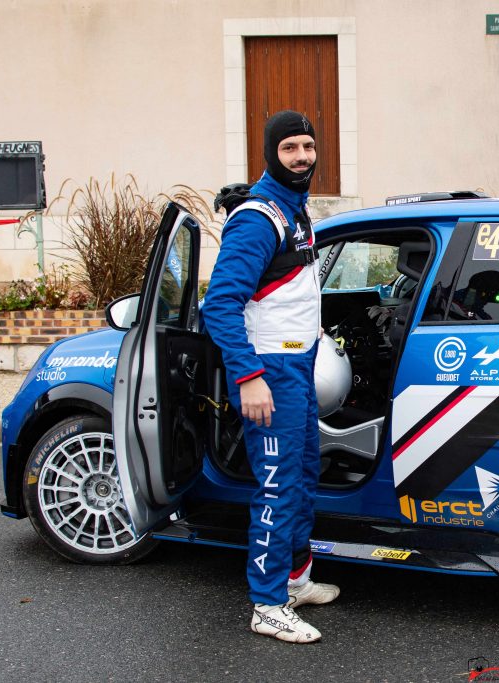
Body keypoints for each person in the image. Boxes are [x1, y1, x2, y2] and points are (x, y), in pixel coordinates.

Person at [202, 110, 339, 644]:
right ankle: (267, 604)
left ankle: (295, 581)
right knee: (279, 487)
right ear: (270, 153)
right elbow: (220, 305)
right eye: (290, 148)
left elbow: (285, 290)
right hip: (271, 372)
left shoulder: (294, 210)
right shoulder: (258, 218)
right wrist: (248, 377)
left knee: (303, 478)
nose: (302, 157)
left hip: (297, 365)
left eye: (308, 146)